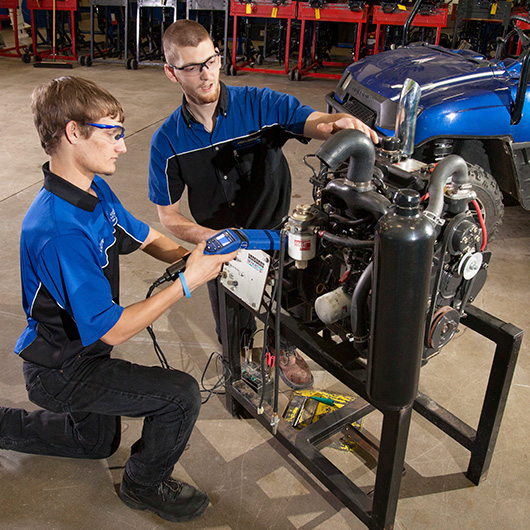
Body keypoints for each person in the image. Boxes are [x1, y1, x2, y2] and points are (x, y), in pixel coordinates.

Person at [0, 76, 235, 523]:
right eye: (113, 133)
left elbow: (146, 238)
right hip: (62, 368)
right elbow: (113, 327)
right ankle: (142, 486)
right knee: (180, 395)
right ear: (74, 132)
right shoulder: (57, 229)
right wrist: (186, 284)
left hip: (85, 353)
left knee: (95, 444)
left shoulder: (94, 192)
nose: (123, 147)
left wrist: (202, 260)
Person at [148, 20, 378, 390]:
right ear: (171, 73)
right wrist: (216, 238)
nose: (206, 75)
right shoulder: (167, 142)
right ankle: (238, 362)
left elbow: (313, 122)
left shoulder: (260, 104)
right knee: (232, 318)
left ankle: (282, 348)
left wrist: (337, 123)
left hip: (277, 235)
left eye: (211, 61)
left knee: (293, 301)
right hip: (222, 246)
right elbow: (168, 216)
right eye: (191, 67)